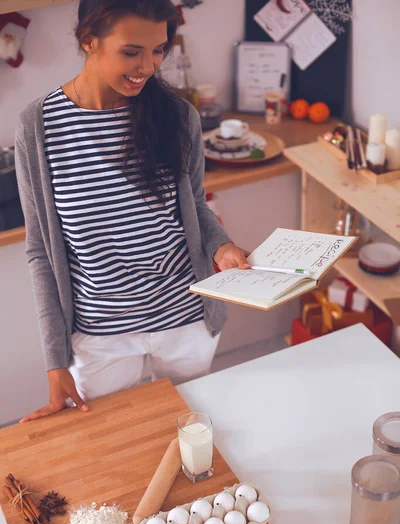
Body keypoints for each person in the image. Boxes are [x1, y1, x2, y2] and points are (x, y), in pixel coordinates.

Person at [15, 0, 249, 423]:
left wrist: (222, 247)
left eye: (159, 49)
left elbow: (195, 207)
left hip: (186, 320)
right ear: (89, 40)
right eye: (132, 51)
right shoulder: (39, 127)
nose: (148, 65)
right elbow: (40, 253)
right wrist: (55, 359)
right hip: (100, 337)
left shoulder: (178, 116)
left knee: (191, 437)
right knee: (116, 446)